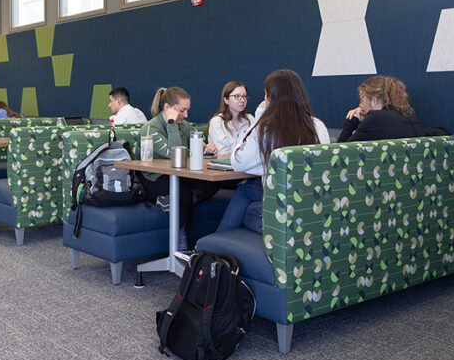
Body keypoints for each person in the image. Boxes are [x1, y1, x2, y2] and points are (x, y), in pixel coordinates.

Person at [217, 69, 330, 233]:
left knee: (246, 190)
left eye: (265, 95)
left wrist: (260, 118)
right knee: (249, 193)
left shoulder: (265, 130)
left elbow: (237, 162)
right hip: (312, 204)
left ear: (271, 98)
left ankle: (212, 248)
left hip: (281, 206)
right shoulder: (318, 126)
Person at [139, 86, 217, 250]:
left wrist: (207, 148)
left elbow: (197, 146)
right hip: (154, 178)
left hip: (178, 174)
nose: (186, 115)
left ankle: (170, 202)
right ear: (167, 108)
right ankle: (180, 243)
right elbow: (173, 154)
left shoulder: (185, 125)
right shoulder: (150, 128)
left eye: (187, 110)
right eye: (182, 111)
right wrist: (171, 123)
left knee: (214, 181)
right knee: (183, 194)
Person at [337, 76, 423, 142]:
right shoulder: (408, 115)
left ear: (374, 101)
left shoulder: (376, 118)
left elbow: (339, 154)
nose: (360, 105)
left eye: (362, 99)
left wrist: (352, 121)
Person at [207, 81, 255, 155]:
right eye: (237, 96)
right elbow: (223, 154)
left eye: (244, 96)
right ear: (226, 100)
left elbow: (256, 149)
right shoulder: (217, 122)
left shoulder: (250, 119)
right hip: (225, 164)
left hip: (247, 165)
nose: (242, 100)